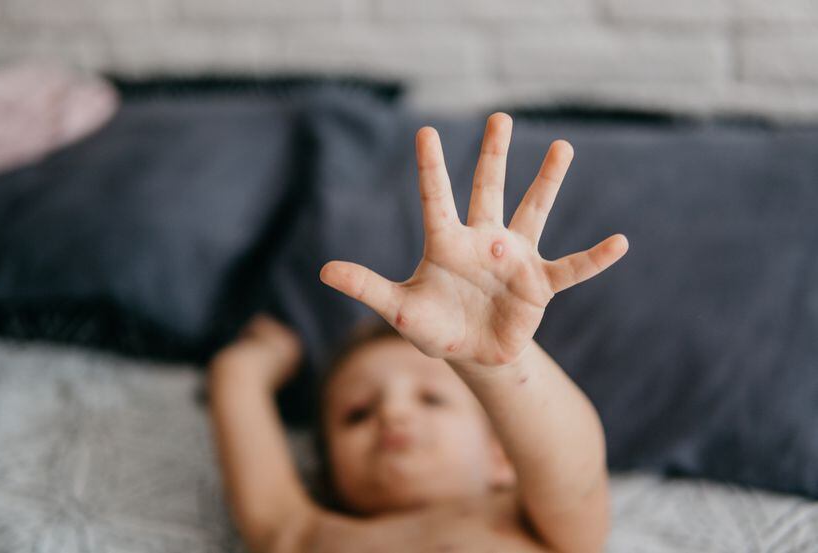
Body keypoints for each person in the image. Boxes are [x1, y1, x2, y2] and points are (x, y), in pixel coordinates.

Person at [209, 113, 629, 553]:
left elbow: (575, 472)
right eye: (356, 415)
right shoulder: (304, 534)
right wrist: (247, 364)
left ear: (500, 458)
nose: (392, 414)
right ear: (329, 471)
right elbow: (260, 486)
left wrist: (498, 365)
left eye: (432, 398)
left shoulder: (529, 523)